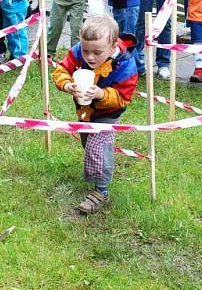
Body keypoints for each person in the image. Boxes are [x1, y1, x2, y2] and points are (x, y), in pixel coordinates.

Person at [52, 14, 138, 214]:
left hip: (109, 111)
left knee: (98, 145)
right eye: (85, 50)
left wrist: (102, 94)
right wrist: (67, 85)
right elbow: (61, 69)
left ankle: (101, 191)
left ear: (113, 46)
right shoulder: (78, 53)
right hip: (84, 109)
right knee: (87, 141)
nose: (89, 57)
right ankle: (96, 163)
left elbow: (123, 97)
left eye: (97, 52)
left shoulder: (125, 65)